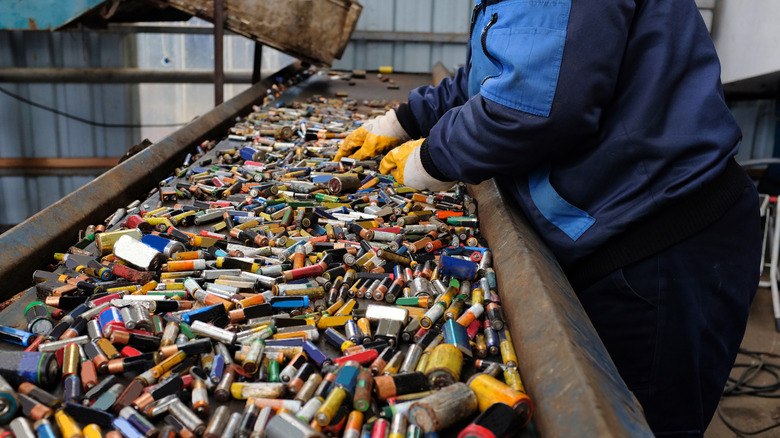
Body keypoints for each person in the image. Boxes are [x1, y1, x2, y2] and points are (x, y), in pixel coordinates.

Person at [335, 0, 761, 435]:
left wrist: (431, 158)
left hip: (663, 242)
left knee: (631, 423)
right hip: (626, 222)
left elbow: (527, 108)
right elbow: (504, 66)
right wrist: (403, 119)